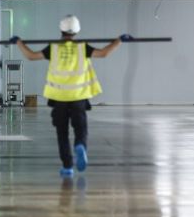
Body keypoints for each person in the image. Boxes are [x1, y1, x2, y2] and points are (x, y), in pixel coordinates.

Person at [12, 15, 130, 179]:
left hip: (59, 98)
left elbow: (31, 56)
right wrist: (119, 40)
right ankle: (80, 145)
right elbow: (103, 53)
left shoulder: (53, 48)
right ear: (77, 31)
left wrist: (19, 42)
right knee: (80, 128)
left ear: (61, 29)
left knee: (62, 133)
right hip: (78, 98)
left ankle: (67, 166)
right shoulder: (83, 48)